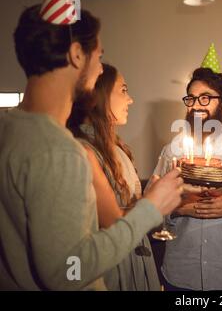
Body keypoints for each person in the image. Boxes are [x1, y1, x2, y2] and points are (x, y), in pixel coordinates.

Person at [0, 1, 182, 290]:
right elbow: (66, 272)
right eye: (99, 56)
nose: (99, 69)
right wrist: (150, 208)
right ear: (76, 55)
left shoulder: (8, 127)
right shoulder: (58, 151)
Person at [147, 65, 222, 291]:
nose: (196, 105)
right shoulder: (173, 151)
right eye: (192, 99)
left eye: (205, 98)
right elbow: (149, 207)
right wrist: (178, 208)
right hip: (180, 274)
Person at [67, 63, 163, 290]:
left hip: (135, 253)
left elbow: (130, 206)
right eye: (123, 90)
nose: (130, 99)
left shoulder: (116, 147)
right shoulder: (84, 150)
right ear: (98, 96)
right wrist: (154, 202)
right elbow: (109, 224)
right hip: (116, 264)